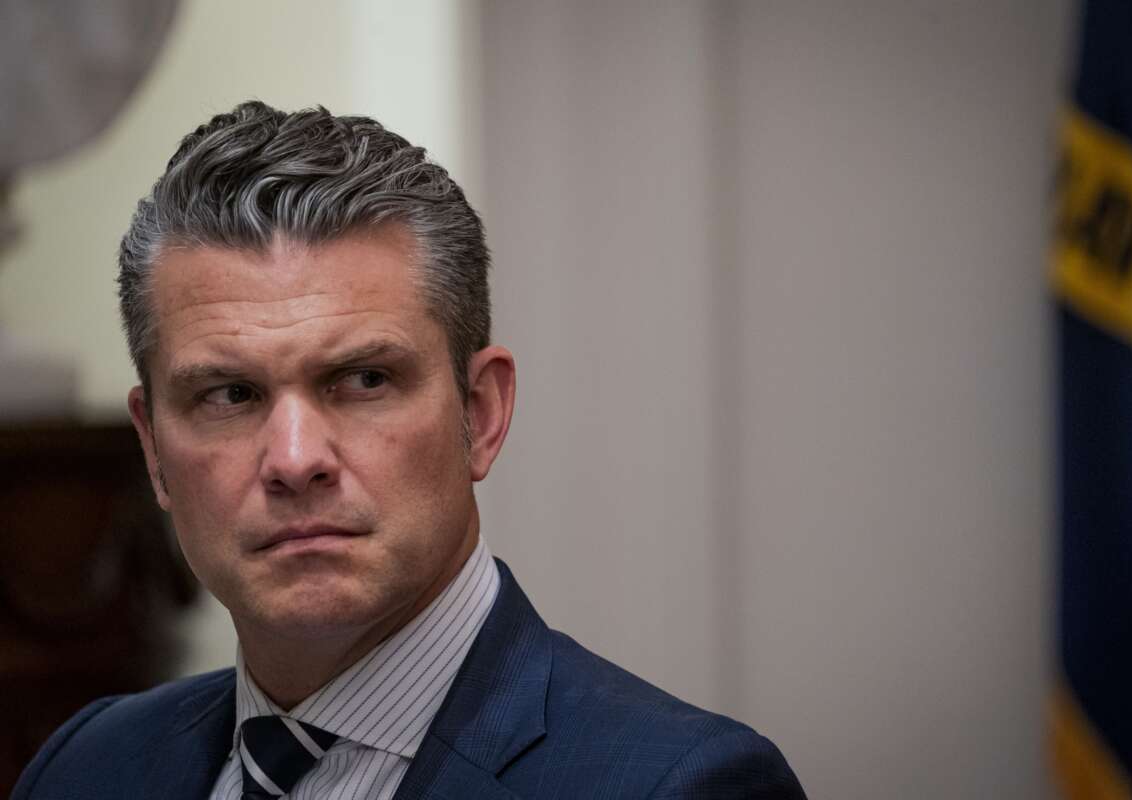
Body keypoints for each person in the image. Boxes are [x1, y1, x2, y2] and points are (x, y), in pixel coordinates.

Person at [13, 101, 804, 799]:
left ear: (482, 415)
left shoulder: (680, 785)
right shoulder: (87, 767)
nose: (294, 459)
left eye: (363, 379)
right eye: (229, 395)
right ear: (153, 448)